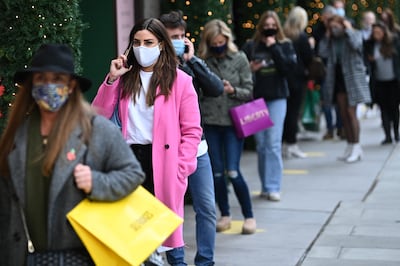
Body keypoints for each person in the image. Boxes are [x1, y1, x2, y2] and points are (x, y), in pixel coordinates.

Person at [0, 43, 145, 266]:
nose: (49, 86)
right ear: (31, 85)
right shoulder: (16, 135)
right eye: (41, 79)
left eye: (57, 79)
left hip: (81, 256)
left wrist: (97, 182)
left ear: (71, 85)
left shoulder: (96, 129)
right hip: (23, 256)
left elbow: (133, 174)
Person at [92, 18, 202, 265]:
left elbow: (192, 130)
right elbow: (97, 114)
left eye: (149, 42)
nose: (143, 47)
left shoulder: (181, 80)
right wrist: (111, 80)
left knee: (167, 239)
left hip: (163, 164)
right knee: (131, 237)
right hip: (129, 162)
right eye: (137, 42)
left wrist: (181, 169)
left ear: (162, 44)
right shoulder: (123, 77)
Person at [159, 10, 223, 266]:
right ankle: (177, 262)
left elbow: (216, 88)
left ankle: (205, 262)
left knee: (206, 208)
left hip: (198, 149)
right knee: (171, 210)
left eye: (182, 35)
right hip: (166, 151)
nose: (178, 40)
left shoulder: (190, 65)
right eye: (172, 36)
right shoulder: (153, 70)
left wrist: (192, 60)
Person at [197, 19, 256, 234]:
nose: (218, 45)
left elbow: (249, 90)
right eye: (214, 42)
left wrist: (233, 91)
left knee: (233, 171)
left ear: (227, 40)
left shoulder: (239, 58)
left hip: (233, 122)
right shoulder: (202, 61)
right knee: (217, 173)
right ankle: (225, 214)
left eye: (221, 41)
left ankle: (249, 215)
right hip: (210, 122)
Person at [241, 10, 296, 201]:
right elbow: (241, 71)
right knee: (262, 144)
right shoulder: (251, 45)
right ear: (261, 27)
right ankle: (265, 185)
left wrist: (274, 48)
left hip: (278, 97)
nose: (269, 29)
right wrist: (251, 69)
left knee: (273, 143)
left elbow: (289, 69)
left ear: (278, 27)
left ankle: (274, 186)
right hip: (256, 100)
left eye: (273, 26)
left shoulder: (285, 45)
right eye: (266, 26)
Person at [318, 15, 371, 163]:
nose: (334, 29)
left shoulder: (354, 34)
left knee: (351, 112)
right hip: (338, 77)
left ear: (343, 25)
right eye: (332, 27)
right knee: (343, 113)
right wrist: (327, 36)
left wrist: (348, 29)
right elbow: (322, 53)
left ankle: (357, 145)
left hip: (352, 77)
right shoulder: (331, 39)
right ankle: (349, 145)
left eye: (337, 26)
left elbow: (357, 45)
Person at [282, 6, 313, 159]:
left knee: (285, 113)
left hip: (282, 79)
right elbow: (309, 59)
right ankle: (292, 144)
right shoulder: (301, 37)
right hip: (297, 79)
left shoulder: (282, 34)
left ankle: (285, 144)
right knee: (293, 113)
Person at [312, 5, 345, 141]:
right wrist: (326, 34)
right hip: (324, 71)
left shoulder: (341, 30)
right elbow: (321, 51)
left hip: (338, 71)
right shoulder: (319, 30)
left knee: (339, 101)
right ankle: (330, 129)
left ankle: (340, 127)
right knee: (326, 101)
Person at [364, 21, 400, 144]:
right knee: (383, 109)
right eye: (374, 33)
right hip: (379, 81)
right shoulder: (370, 45)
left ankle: (396, 133)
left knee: (394, 109)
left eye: (379, 32)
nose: (377, 35)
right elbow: (367, 60)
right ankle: (387, 136)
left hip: (393, 81)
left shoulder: (393, 42)